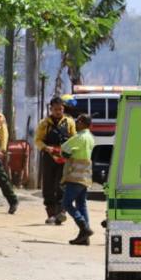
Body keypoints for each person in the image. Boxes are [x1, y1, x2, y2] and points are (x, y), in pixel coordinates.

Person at [35, 97, 76, 225]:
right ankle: (51, 214)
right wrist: (46, 148)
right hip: (49, 157)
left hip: (64, 157)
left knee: (62, 185)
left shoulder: (69, 122)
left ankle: (61, 212)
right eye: (56, 109)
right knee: (48, 185)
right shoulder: (44, 123)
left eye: (61, 109)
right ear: (51, 109)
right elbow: (38, 140)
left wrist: (70, 151)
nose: (58, 111)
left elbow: (74, 139)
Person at [59, 114, 96, 245]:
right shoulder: (90, 137)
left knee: (67, 204)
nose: (76, 124)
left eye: (77, 121)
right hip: (85, 177)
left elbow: (64, 148)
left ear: (81, 122)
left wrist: (64, 137)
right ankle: (84, 237)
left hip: (75, 176)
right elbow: (74, 149)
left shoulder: (80, 137)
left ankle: (83, 227)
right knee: (81, 204)